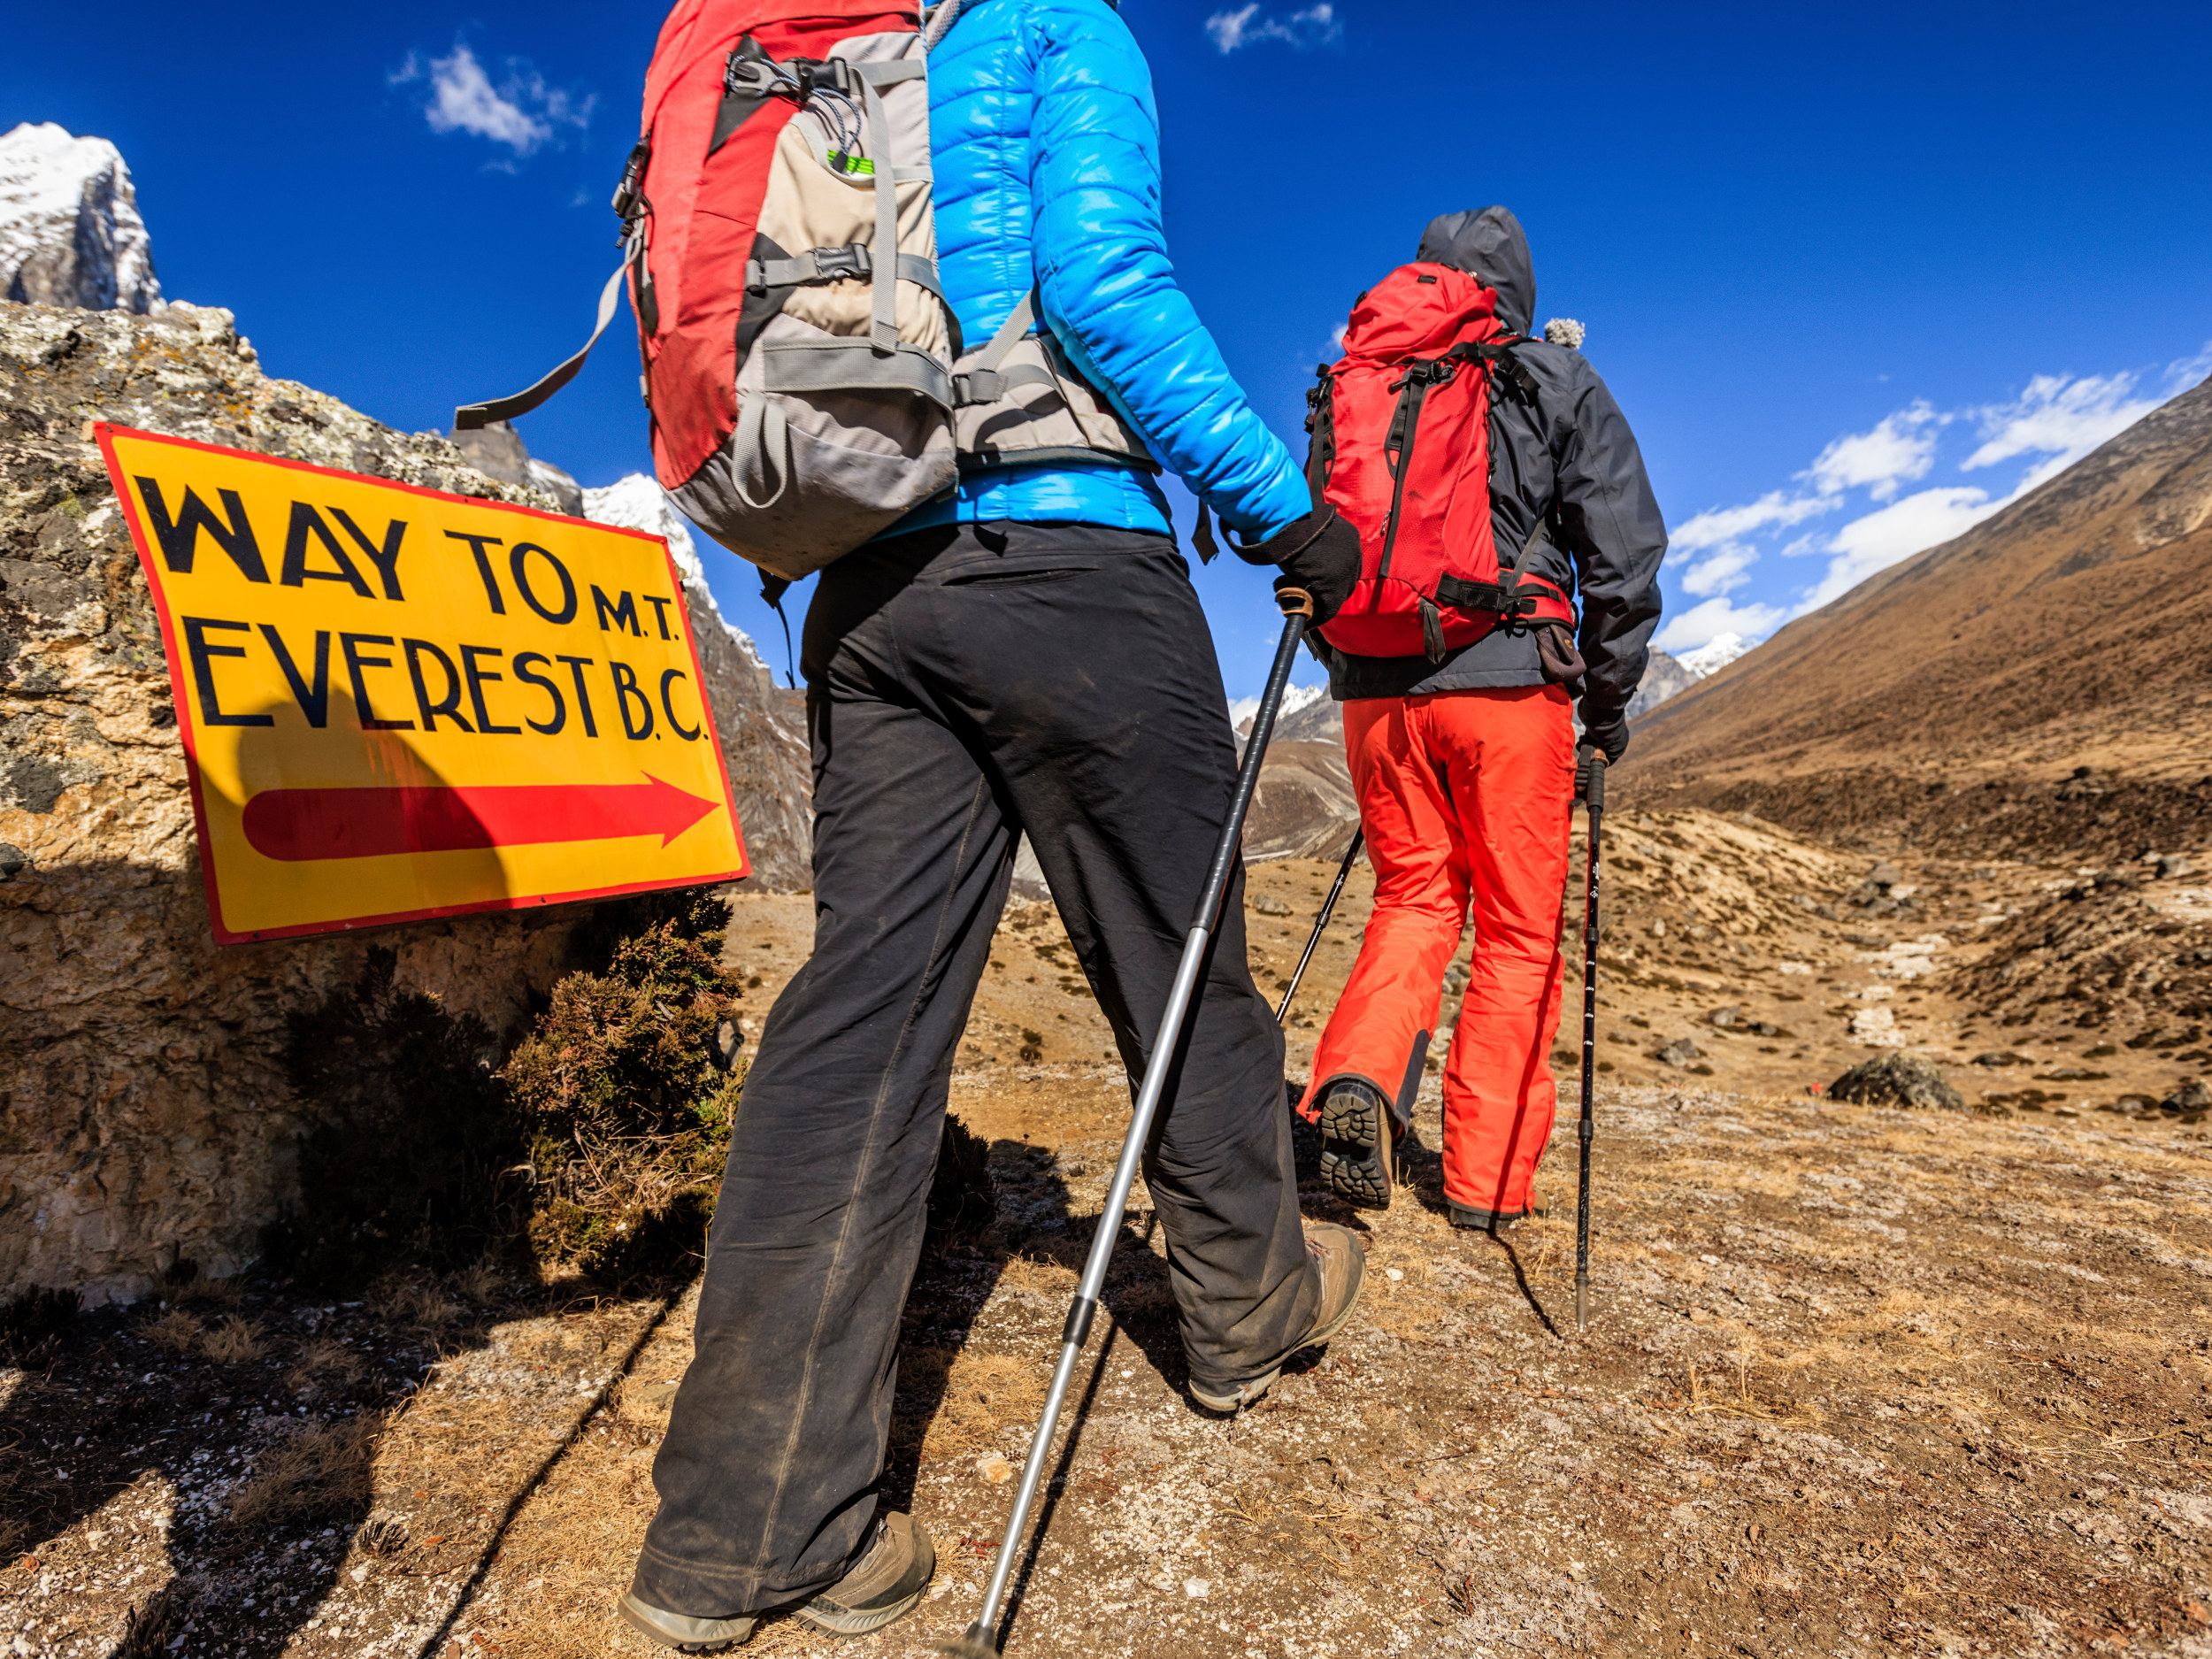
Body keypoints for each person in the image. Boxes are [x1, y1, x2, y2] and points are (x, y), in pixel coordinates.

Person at [616, 3, 1366, 1649]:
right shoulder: (1050, 25)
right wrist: (1282, 507)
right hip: (1071, 563)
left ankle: (745, 1535)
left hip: (870, 595)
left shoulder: (813, 51)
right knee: (1179, 967)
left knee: (857, 1026)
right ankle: (1248, 1311)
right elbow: (1104, 289)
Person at [1294, 207, 1666, 1230]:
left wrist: (1351, 664)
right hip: (1508, 695)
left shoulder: (1356, 380)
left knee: (1413, 901)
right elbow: (1623, 557)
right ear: (1517, 294)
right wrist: (1606, 699)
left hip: (1374, 693)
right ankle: (1485, 1185)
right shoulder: (1550, 377)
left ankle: (1357, 1087)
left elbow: (1325, 546)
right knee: (1515, 931)